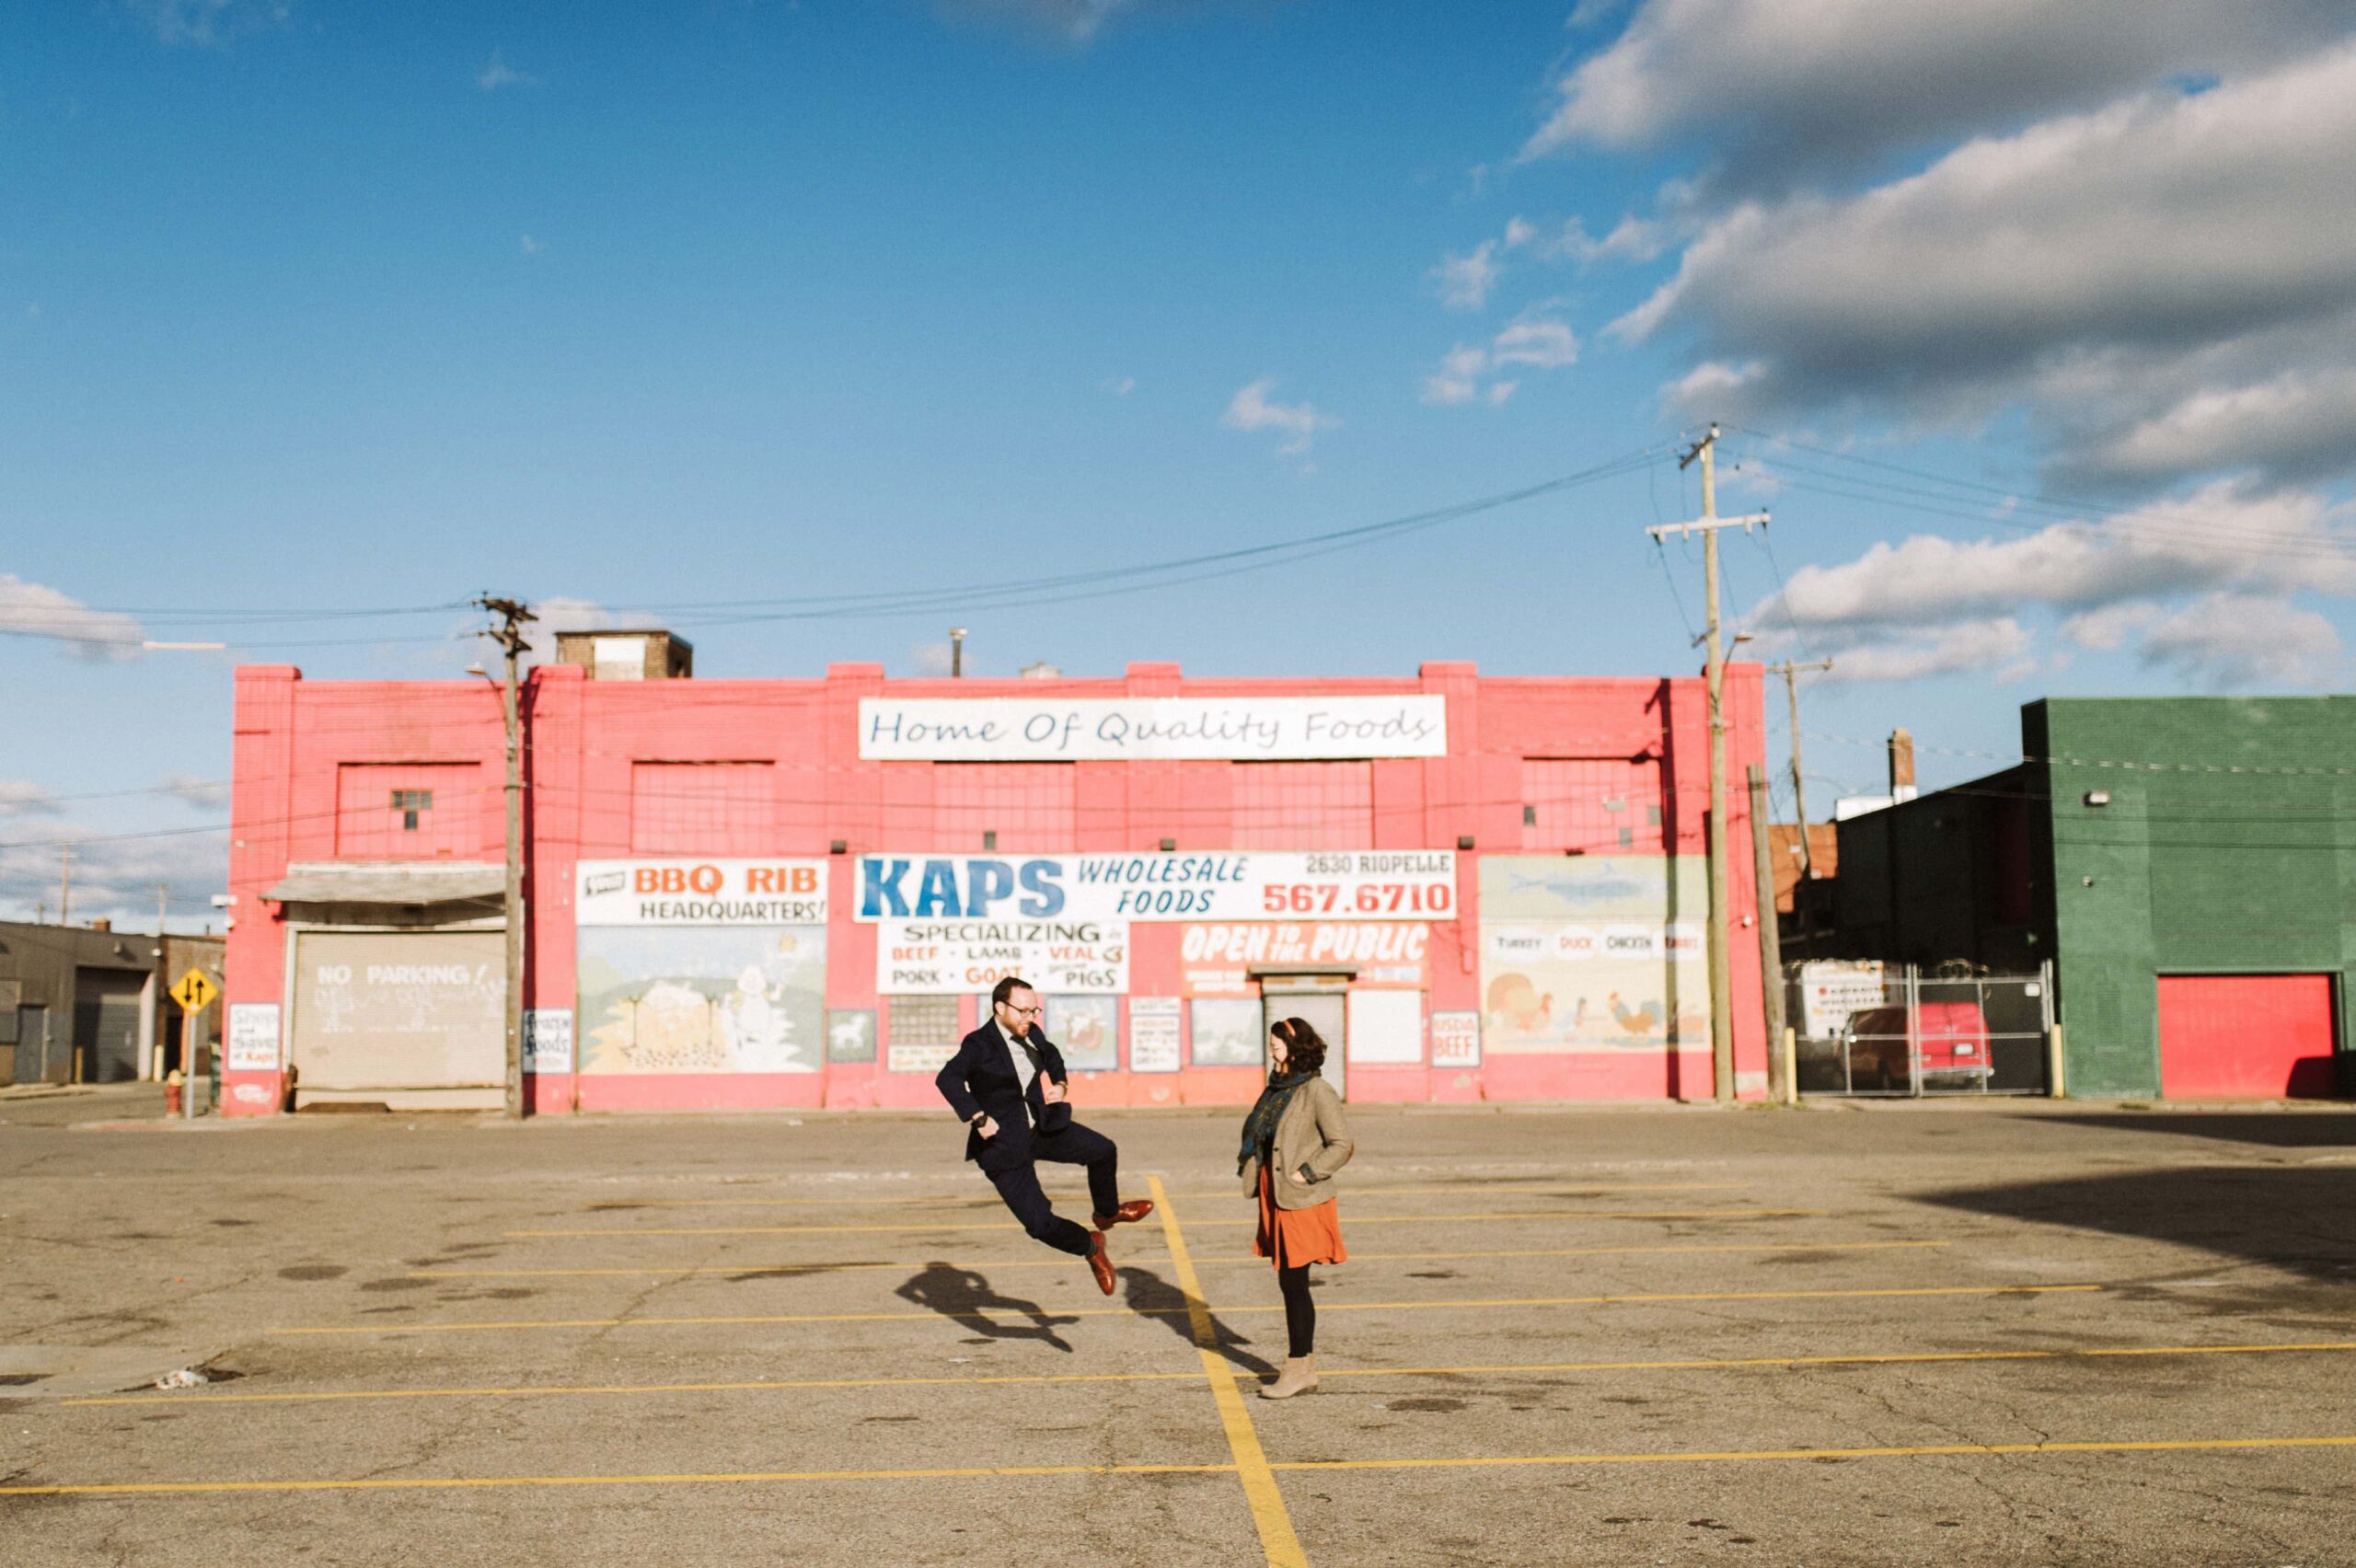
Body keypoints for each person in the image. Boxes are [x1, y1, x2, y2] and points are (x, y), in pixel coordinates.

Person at [935, 976, 1153, 1296]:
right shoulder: (977, 1045)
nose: (1029, 1018)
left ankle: (1107, 1213)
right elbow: (947, 1079)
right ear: (1000, 1007)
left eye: (1033, 1011)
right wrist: (978, 1117)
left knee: (1103, 1151)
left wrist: (1060, 1084)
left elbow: (1051, 1055)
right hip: (1002, 1144)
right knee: (1039, 1225)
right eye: (1022, 1011)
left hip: (1042, 1127)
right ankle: (1091, 1246)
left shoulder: (1030, 1032)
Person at [1237, 1016, 1354, 1399]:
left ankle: (1298, 1367)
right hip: (1276, 1194)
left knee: (1295, 1283)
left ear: (1295, 1049)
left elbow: (1341, 1143)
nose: (1271, 1053)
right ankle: (1303, 1367)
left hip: (1300, 1196)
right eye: (1271, 1046)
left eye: (1277, 1047)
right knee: (1290, 1281)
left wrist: (1309, 1172)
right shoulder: (1276, 1089)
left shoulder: (1316, 1090)